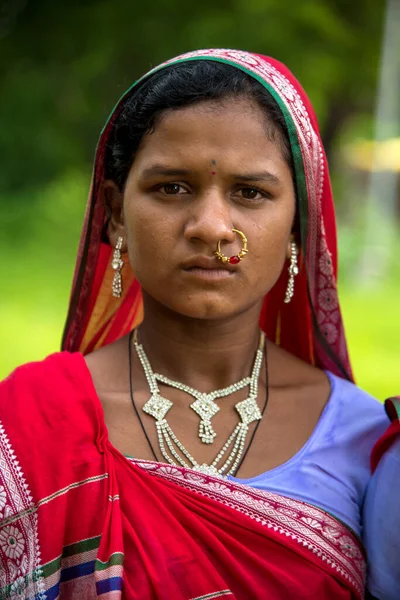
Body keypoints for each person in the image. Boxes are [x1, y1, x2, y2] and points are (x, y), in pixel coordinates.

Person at [0, 49, 392, 599]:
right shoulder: (26, 427)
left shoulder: (366, 439)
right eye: (172, 188)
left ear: (298, 226)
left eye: (250, 193)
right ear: (115, 213)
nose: (211, 227)